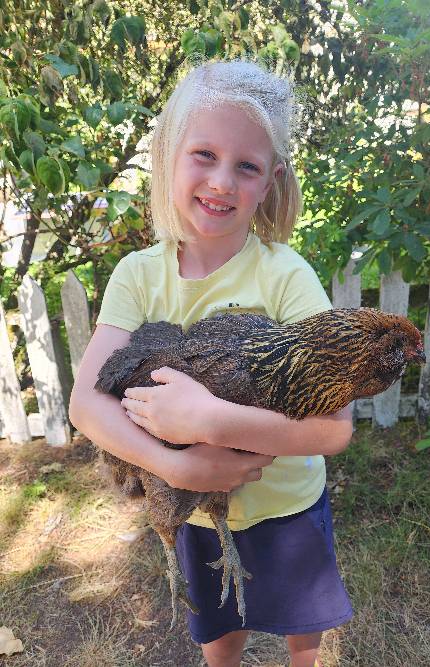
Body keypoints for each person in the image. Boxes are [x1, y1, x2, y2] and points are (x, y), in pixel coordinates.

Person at [69, 59, 353, 667]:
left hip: (286, 506)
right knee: (219, 639)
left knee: (305, 635)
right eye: (204, 154)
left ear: (271, 179)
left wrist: (208, 421)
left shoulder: (287, 278)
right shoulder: (138, 277)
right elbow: (85, 403)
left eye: (246, 166)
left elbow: (334, 428)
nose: (222, 181)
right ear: (169, 153)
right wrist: (174, 464)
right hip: (195, 513)